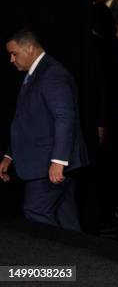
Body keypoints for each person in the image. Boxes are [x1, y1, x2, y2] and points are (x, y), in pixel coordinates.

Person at [1, 29, 88, 231]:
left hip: (48, 164)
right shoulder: (35, 73)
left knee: (36, 212)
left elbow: (64, 117)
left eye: (14, 53)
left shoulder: (52, 74)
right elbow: (26, 120)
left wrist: (58, 161)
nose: (11, 59)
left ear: (29, 48)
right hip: (47, 162)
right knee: (65, 219)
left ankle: (52, 260)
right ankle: (79, 261)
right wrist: (9, 154)